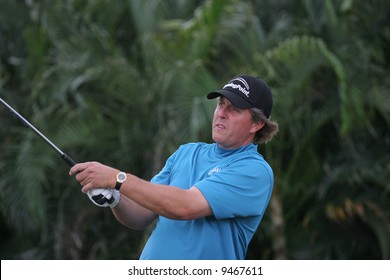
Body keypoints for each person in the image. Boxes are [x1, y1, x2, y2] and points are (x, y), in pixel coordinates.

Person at [69, 74, 279, 260]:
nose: (221, 113)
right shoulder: (187, 152)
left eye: (233, 109)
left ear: (256, 124)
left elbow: (185, 207)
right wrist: (115, 198)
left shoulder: (254, 171)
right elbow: (141, 214)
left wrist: (117, 179)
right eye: (220, 104)